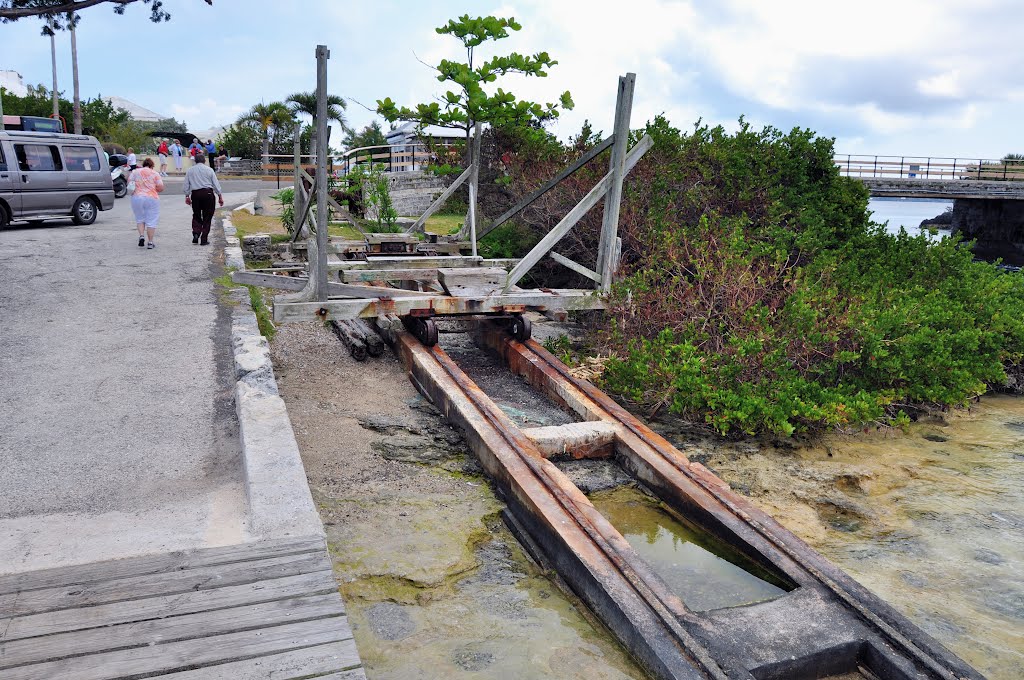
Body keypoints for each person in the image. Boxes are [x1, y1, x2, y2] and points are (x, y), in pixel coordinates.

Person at [183, 153, 224, 245]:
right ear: (204, 161)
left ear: (195, 161)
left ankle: (196, 232)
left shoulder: (190, 171)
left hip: (196, 194)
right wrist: (220, 196)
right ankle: (204, 238)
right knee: (207, 215)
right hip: (208, 193)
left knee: (196, 214)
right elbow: (215, 184)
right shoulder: (209, 170)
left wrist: (187, 196)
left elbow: (186, 184)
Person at [129, 158, 164, 249]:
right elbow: (160, 187)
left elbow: (129, 183)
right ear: (152, 166)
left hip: (137, 197)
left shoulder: (135, 172)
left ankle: (141, 235)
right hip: (151, 198)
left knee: (140, 218)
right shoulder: (155, 173)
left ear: (143, 164)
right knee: (151, 220)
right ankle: (150, 242)